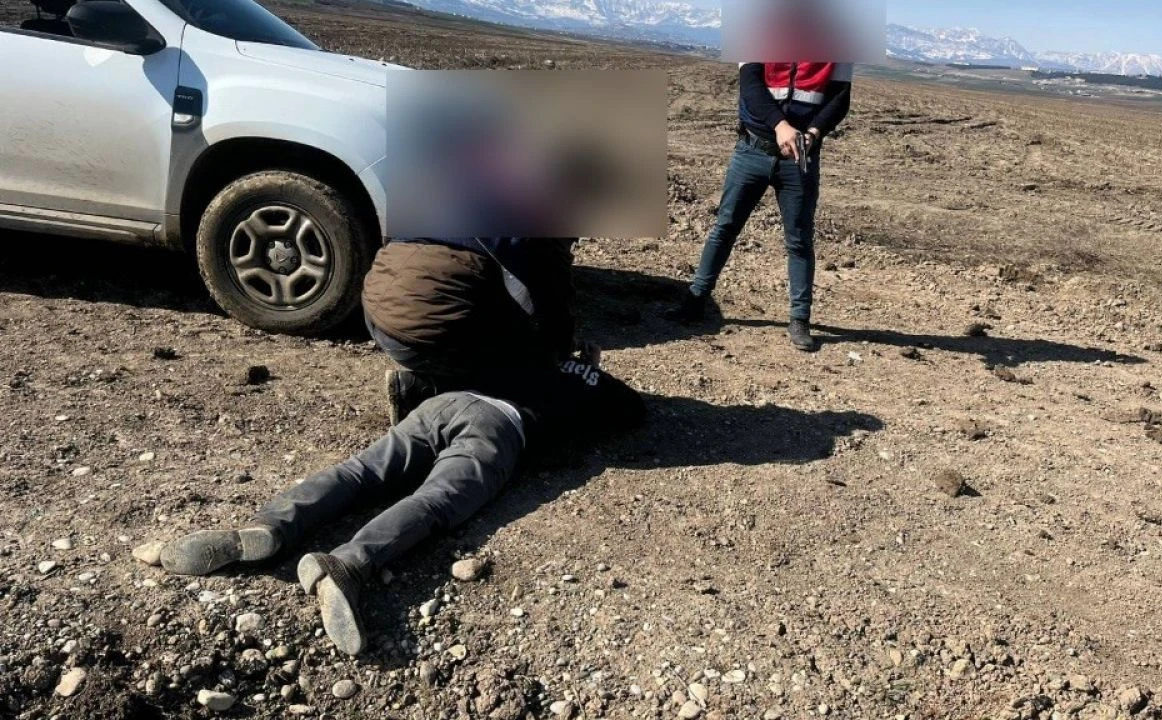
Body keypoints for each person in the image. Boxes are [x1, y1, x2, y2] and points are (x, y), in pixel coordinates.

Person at [153, 348, 645, 656]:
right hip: (500, 428)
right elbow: (634, 412)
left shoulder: (522, 341)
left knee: (358, 473)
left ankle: (269, 527)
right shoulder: (587, 377)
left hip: (443, 404)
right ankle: (349, 563)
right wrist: (589, 373)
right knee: (435, 501)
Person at [665, 59, 853, 352]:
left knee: (799, 239)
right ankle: (696, 299)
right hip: (752, 149)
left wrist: (813, 133)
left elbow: (840, 98)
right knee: (725, 226)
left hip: (800, 155)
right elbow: (750, 83)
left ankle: (800, 319)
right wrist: (781, 126)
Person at [361, 237, 583, 425]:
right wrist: (562, 359)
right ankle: (422, 391)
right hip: (423, 335)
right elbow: (551, 303)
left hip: (375, 311)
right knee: (533, 375)